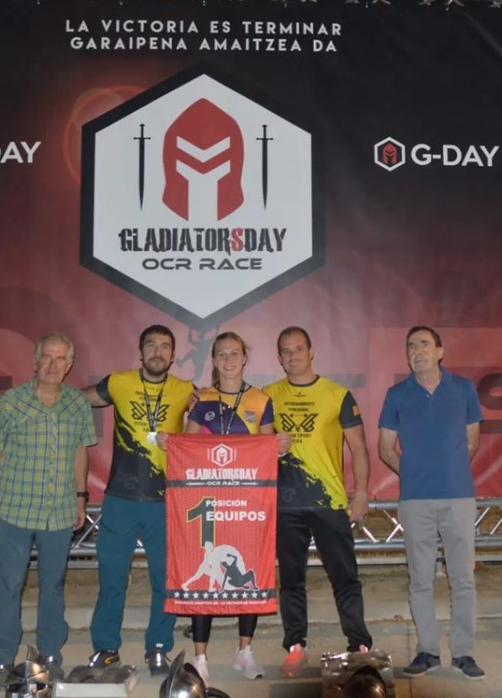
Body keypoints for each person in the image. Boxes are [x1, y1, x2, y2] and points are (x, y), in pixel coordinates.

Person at [164, 331, 290, 684]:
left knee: (249, 566)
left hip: (246, 500)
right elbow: (188, 444)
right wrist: (171, 442)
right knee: (204, 565)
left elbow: (267, 447)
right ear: (214, 360)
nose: (229, 360)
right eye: (221, 354)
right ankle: (200, 658)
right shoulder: (201, 399)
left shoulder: (260, 400)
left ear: (244, 358)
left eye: (235, 353)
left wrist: (281, 445)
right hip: (206, 498)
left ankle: (244, 652)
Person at [263, 326, 372, 678]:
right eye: (286, 351)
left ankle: (359, 645)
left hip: (329, 502)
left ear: (312, 352)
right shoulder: (266, 396)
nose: (292, 355)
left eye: (298, 349)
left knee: (345, 578)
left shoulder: (337, 394)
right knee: (291, 580)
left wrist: (361, 493)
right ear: (279, 358)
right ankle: (295, 646)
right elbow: (244, 436)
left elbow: (359, 448)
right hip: (286, 504)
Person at [84, 325, 193, 677]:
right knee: (112, 578)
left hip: (166, 500)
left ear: (173, 356)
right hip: (120, 498)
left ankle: (158, 646)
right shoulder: (118, 382)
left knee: (165, 579)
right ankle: (106, 648)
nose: (158, 352)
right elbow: (76, 399)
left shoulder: (186, 390)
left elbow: (216, 417)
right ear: (141, 351)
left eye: (165, 346)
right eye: (151, 345)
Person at [378, 325, 485, 680]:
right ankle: (427, 651)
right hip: (415, 500)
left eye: (424, 344)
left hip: (458, 497)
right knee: (420, 579)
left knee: (463, 578)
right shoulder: (397, 395)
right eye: (411, 346)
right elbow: (385, 448)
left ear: (440, 351)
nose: (417, 351)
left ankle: (463, 653)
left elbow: (472, 442)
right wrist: (412, 473)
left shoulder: (464, 390)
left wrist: (448, 471)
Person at [0, 332, 96, 682]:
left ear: (69, 365)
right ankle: (2, 656)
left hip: (59, 511)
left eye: (60, 359)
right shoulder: (10, 402)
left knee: (52, 584)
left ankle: (50, 652)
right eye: (47, 357)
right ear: (35, 360)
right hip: (13, 508)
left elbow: (80, 451)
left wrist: (81, 496)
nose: (53, 365)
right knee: (8, 584)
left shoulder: (77, 404)